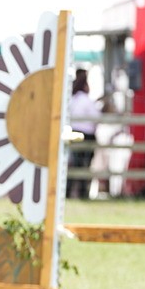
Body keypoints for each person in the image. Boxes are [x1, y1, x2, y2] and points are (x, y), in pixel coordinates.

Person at [67, 68, 101, 199]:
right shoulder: (85, 100)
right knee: (85, 165)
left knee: (74, 164)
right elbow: (96, 117)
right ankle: (82, 192)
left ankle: (69, 192)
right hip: (86, 135)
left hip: (73, 133)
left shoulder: (73, 99)